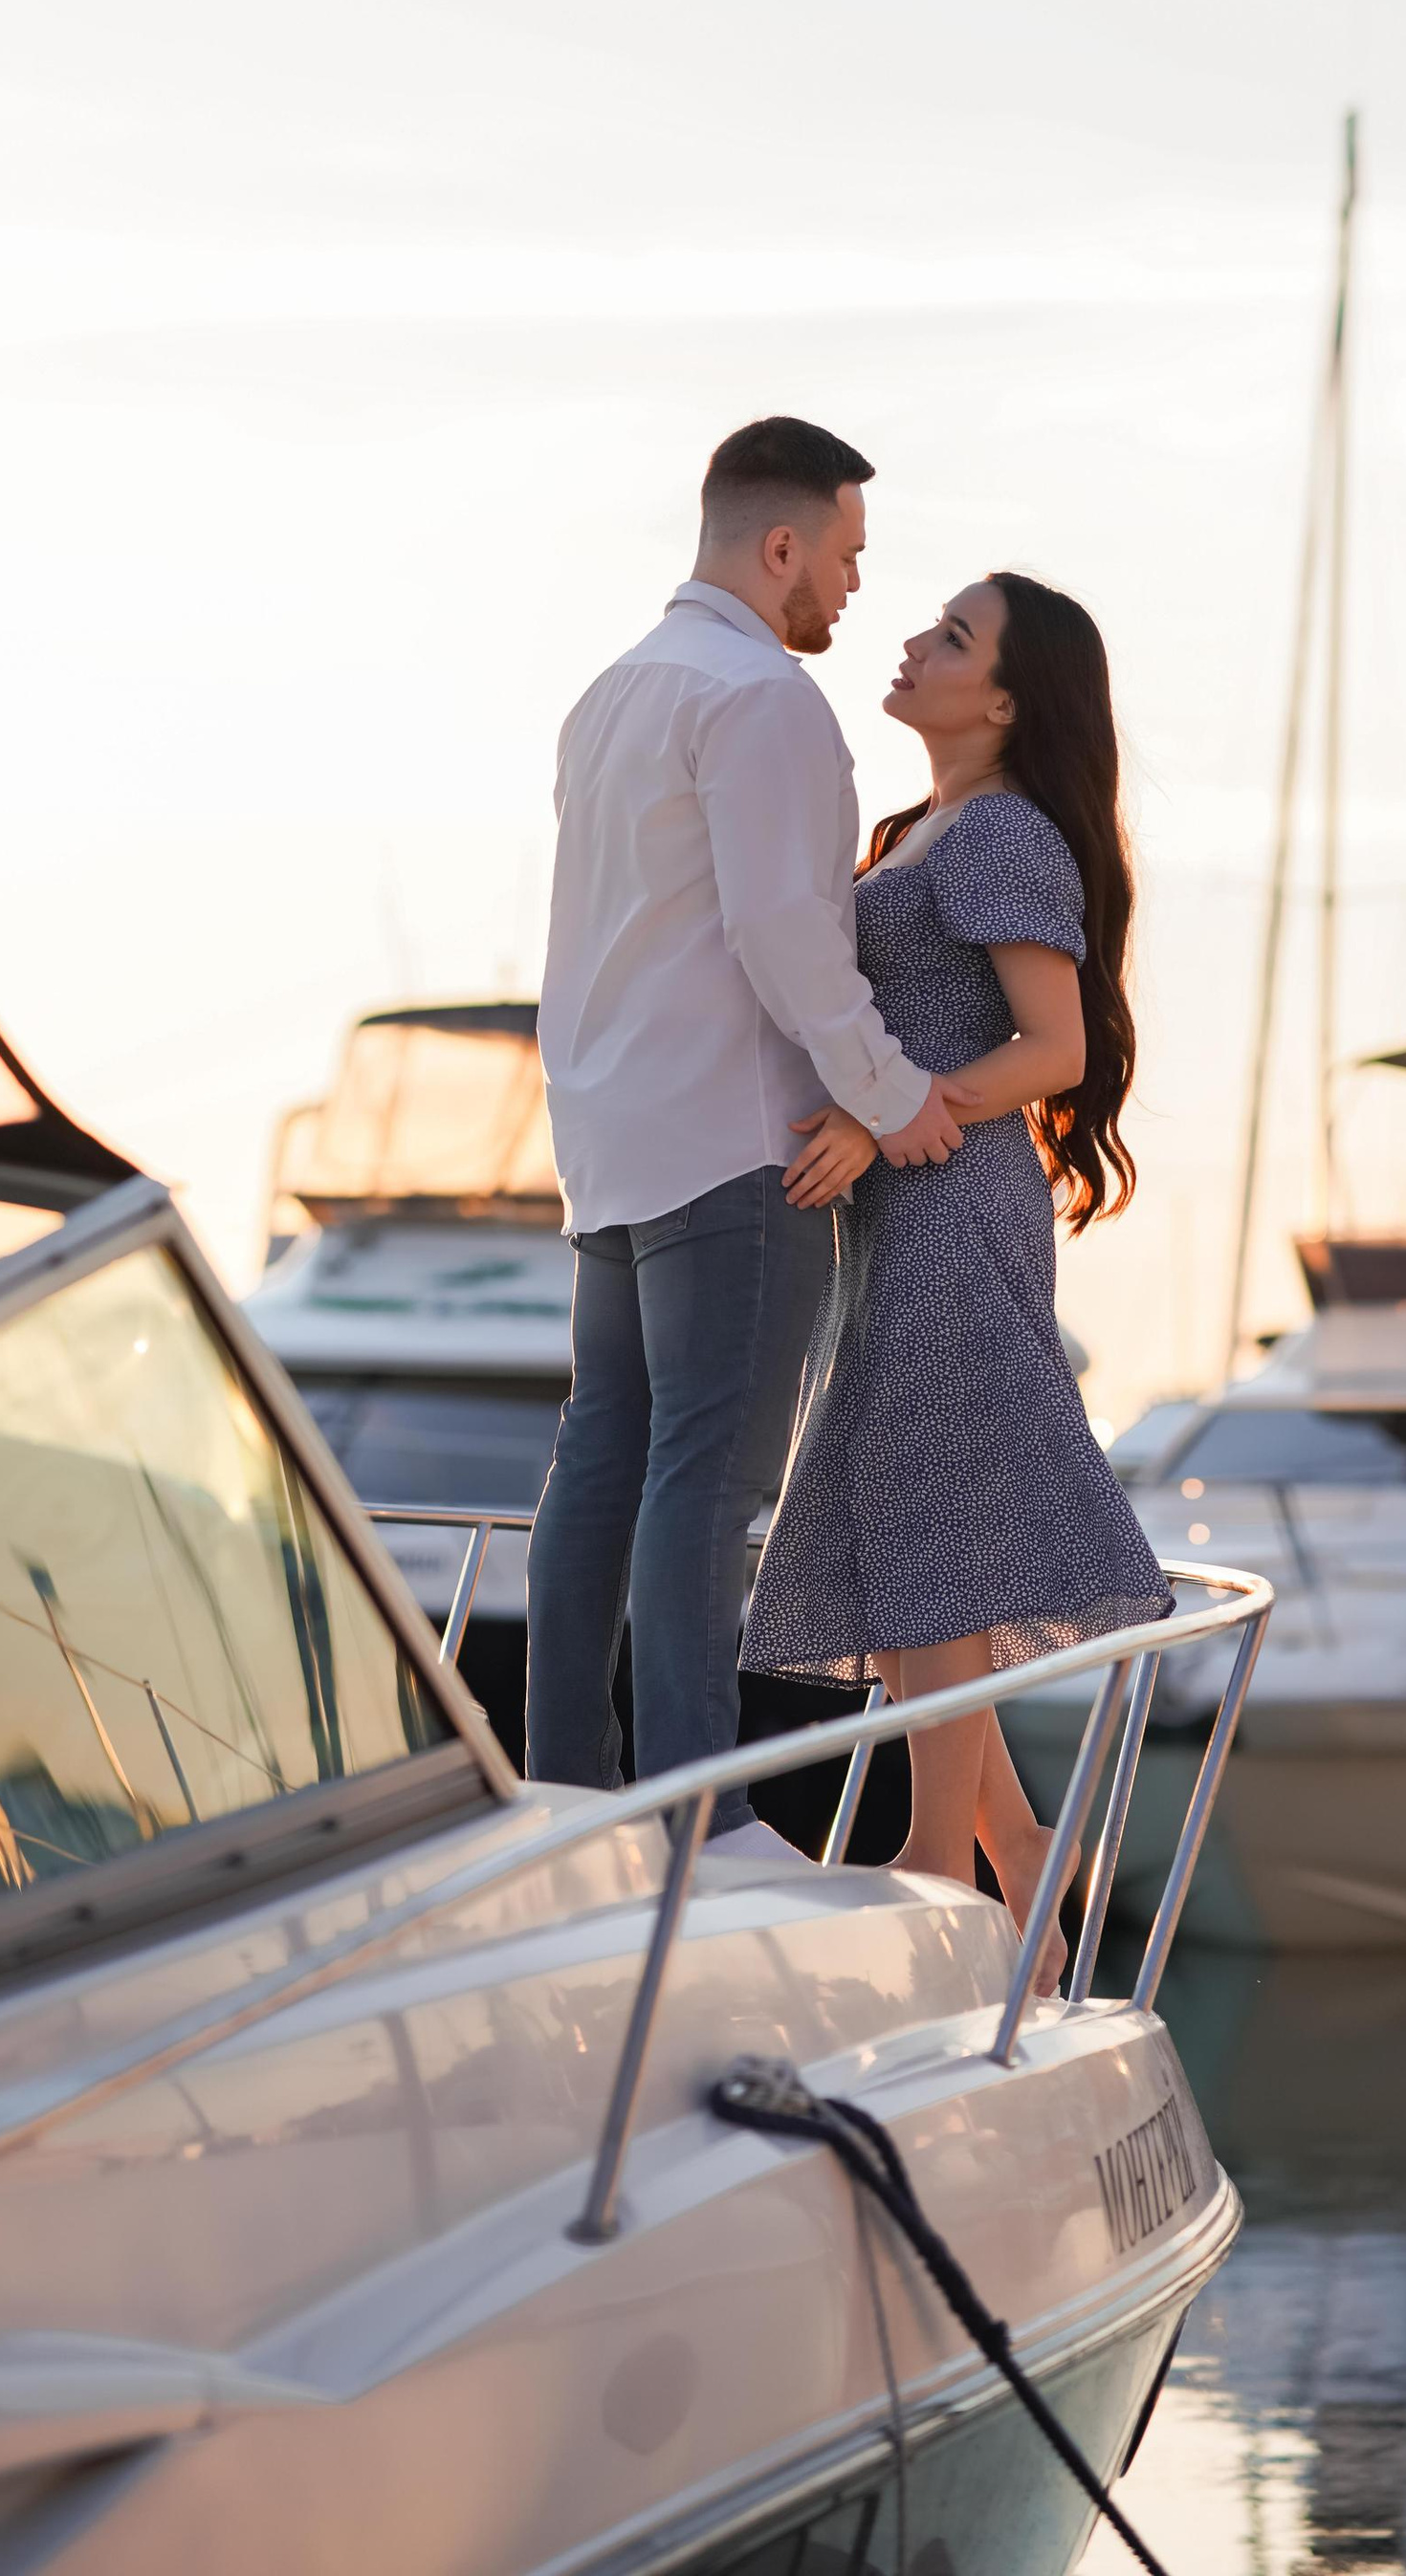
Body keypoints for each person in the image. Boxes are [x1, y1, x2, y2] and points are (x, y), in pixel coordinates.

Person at [528, 418, 965, 1849]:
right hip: (735, 1132)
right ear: (777, 548)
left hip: (610, 1136)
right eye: (841, 558)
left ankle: (566, 1794)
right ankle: (697, 1827)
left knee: (605, 1456)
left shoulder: (610, 694)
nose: (847, 591)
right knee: (711, 1478)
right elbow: (786, 930)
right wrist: (897, 1099)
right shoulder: (763, 701)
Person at [742, 570, 1171, 1952]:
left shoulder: (1001, 838)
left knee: (934, 1523)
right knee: (913, 1512)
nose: (914, 643)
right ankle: (1021, 1863)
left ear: (1002, 697)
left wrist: (884, 1121)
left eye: (951, 636)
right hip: (907, 1204)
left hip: (948, 1199)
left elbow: (1061, 1049)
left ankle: (941, 1866)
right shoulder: (926, 829)